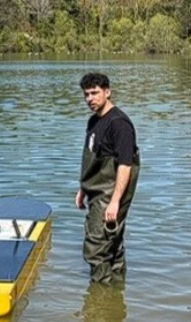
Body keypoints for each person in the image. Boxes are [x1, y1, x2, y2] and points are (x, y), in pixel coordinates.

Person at [75, 73, 141, 283]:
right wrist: (83, 188)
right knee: (112, 245)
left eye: (94, 93)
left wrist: (114, 202)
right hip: (96, 190)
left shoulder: (119, 124)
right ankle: (116, 297)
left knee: (96, 247)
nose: (90, 99)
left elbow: (125, 166)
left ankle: (100, 306)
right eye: (86, 94)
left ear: (107, 92)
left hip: (110, 193)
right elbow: (92, 158)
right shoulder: (94, 121)